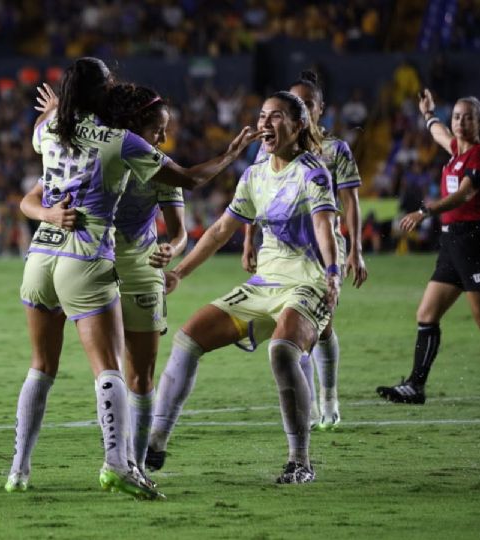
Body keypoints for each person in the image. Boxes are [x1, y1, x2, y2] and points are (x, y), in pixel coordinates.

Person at [5, 57, 258, 499]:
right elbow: (189, 178)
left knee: (40, 366)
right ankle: (118, 464)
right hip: (84, 256)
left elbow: (52, 130)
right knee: (109, 368)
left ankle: (17, 472)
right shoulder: (120, 142)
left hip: (40, 255)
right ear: (100, 93)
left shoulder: (47, 129)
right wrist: (233, 153)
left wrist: (53, 110)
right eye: (108, 82)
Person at [146, 91, 342, 484]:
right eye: (262, 116)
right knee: (187, 339)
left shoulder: (312, 172)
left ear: (298, 125)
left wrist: (334, 272)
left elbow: (323, 224)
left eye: (276, 117)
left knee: (283, 353)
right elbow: (220, 231)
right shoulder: (255, 175)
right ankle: (154, 444)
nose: (265, 123)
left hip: (309, 282)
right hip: (264, 284)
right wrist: (180, 273)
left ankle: (300, 461)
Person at [20, 83, 188, 478]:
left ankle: (138, 463)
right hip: (92, 260)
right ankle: (118, 462)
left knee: (141, 375)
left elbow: (180, 231)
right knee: (108, 368)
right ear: (136, 124)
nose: (163, 138)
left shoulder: (159, 165)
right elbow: (32, 199)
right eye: (157, 129)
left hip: (141, 267)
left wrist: (172, 250)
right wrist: (49, 215)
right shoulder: (94, 151)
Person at [376, 90, 480, 405]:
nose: (461, 122)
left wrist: (425, 211)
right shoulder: (455, 151)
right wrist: (428, 113)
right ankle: (415, 386)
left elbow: (464, 195)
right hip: (452, 243)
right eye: (457, 117)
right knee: (426, 314)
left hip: (476, 243)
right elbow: (439, 133)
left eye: (468, 117)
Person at [240, 70, 367, 429]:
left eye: (308, 104)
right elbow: (253, 194)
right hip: (281, 254)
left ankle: (328, 397)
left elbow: (351, 201)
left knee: (321, 327)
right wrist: (249, 240)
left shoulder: (335, 150)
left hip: (323, 253)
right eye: (295, 104)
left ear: (319, 108)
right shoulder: (268, 149)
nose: (303, 110)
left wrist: (355, 249)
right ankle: (310, 405)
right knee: (292, 328)